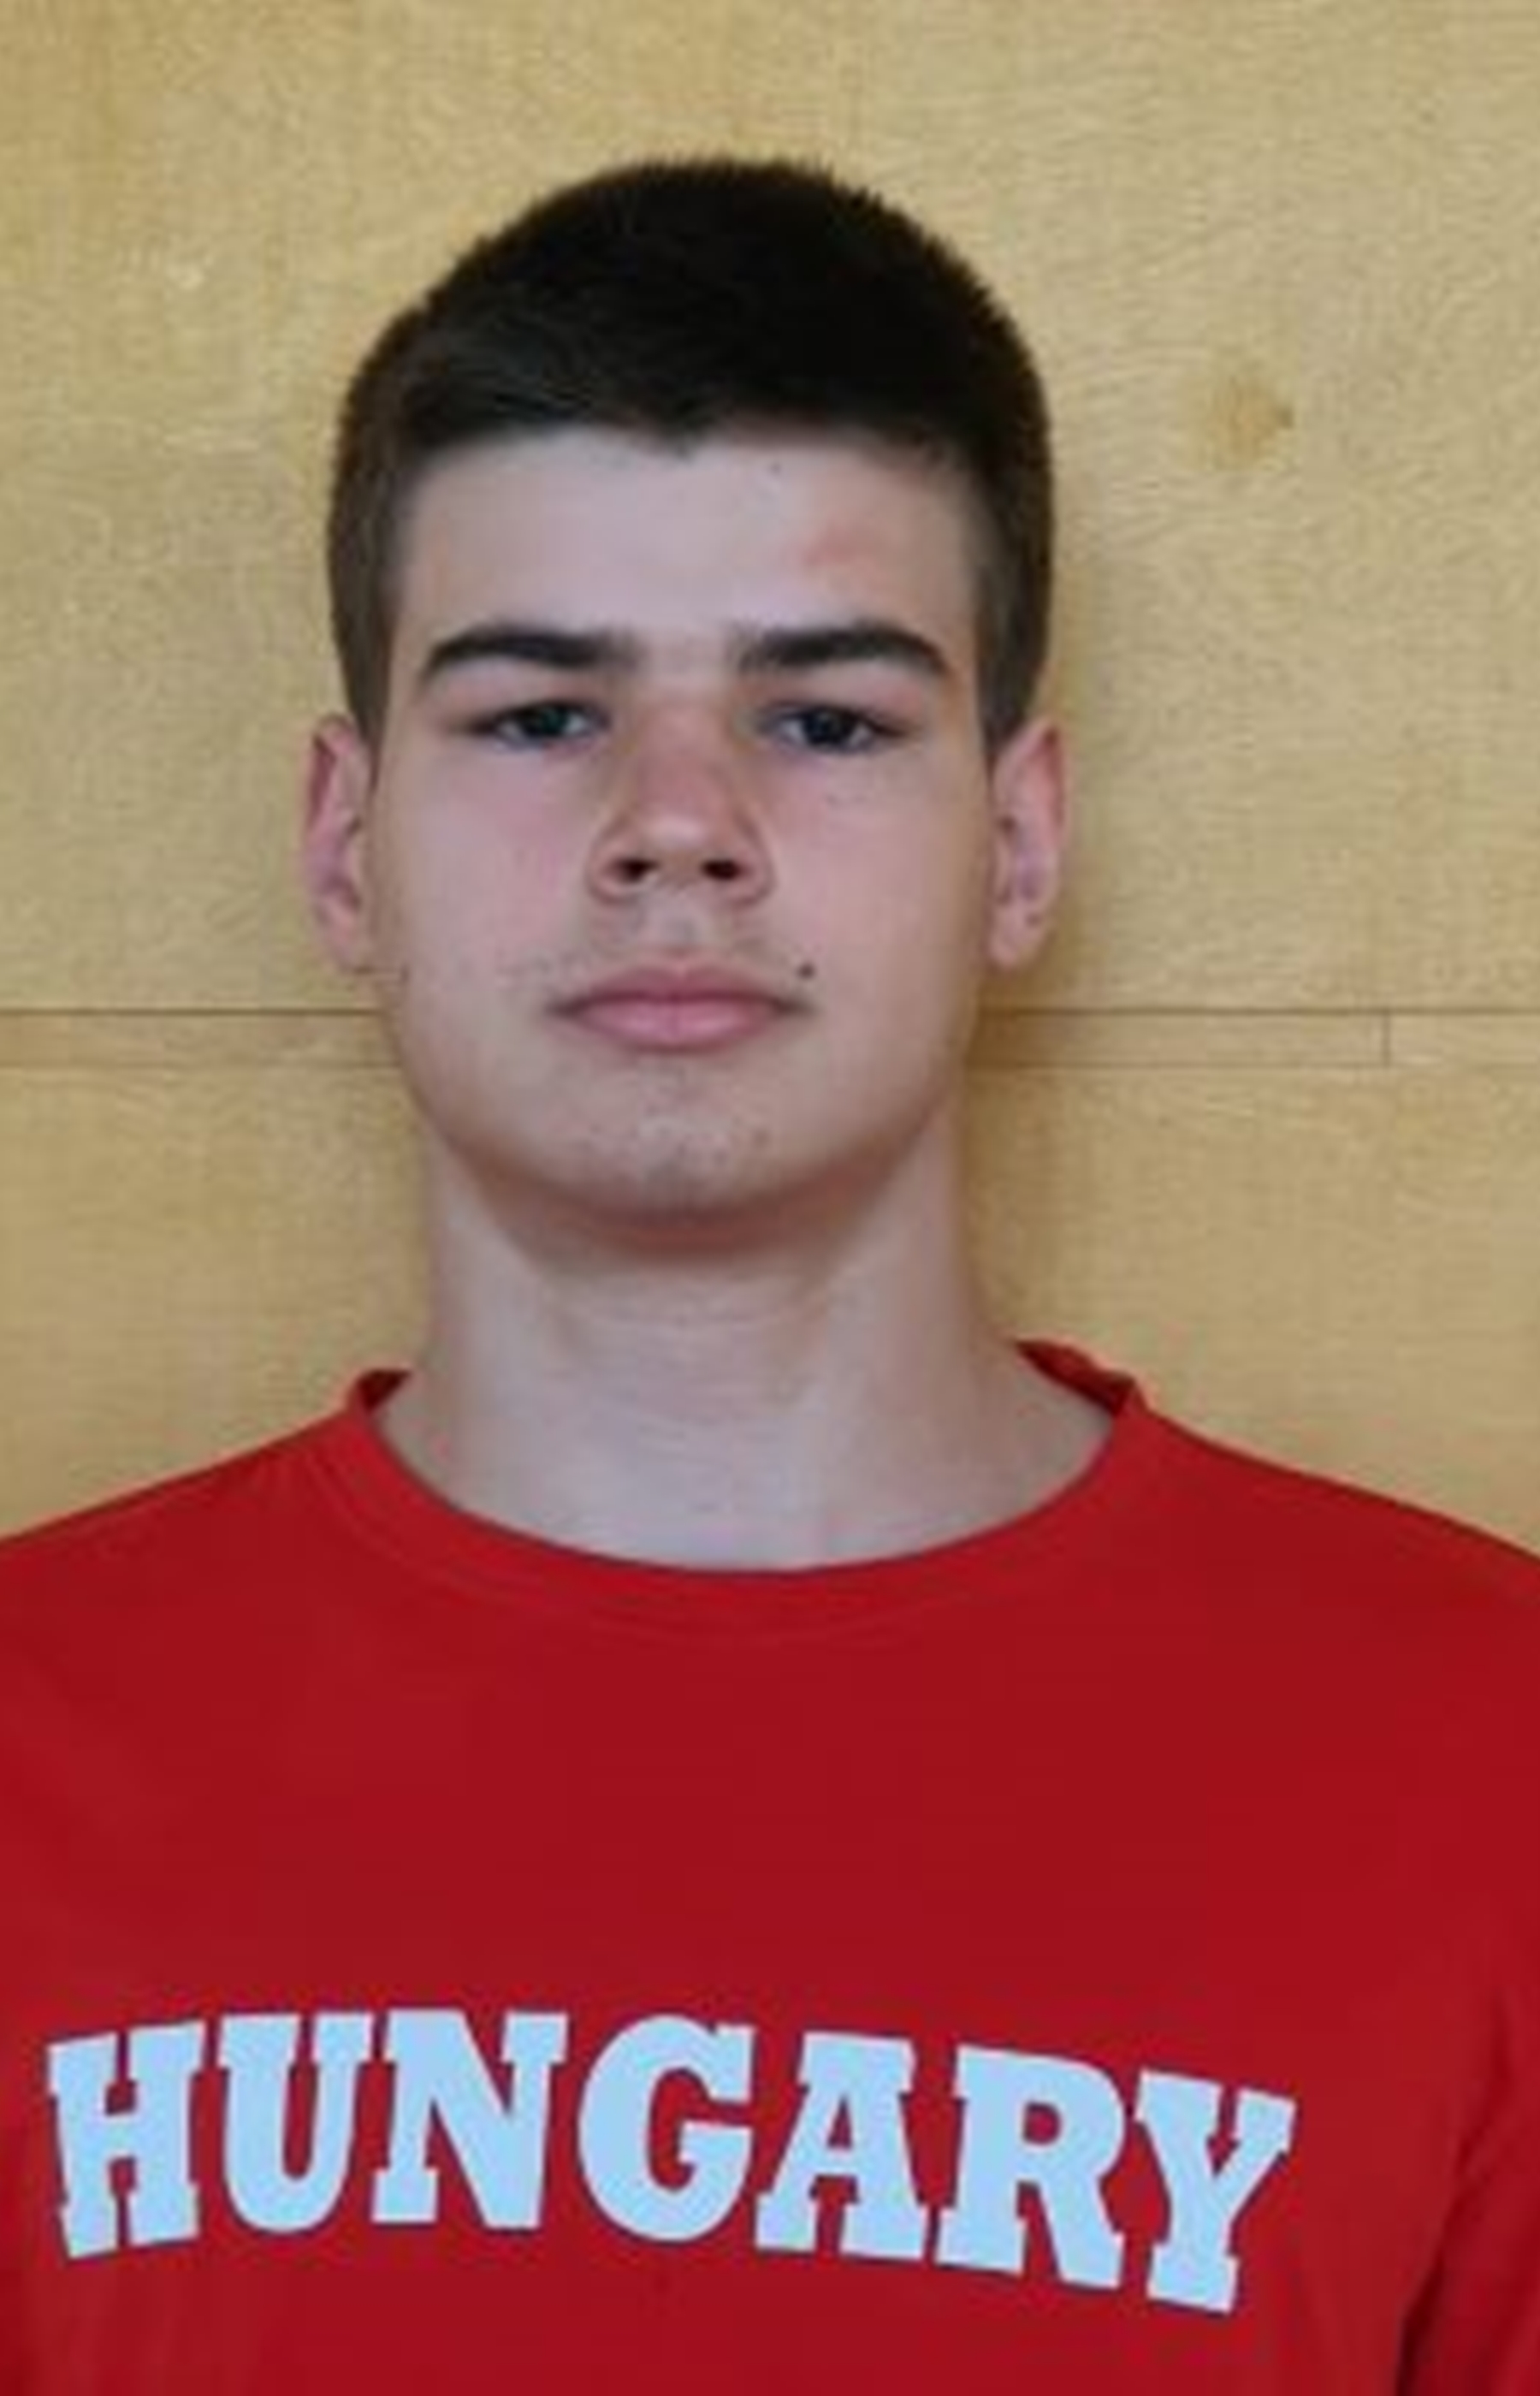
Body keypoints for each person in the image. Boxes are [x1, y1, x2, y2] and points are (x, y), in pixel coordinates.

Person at [0, 158, 1536, 2395]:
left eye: (826, 718)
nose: (678, 822)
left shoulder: (1487, 1765)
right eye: (541, 713)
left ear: (1018, 843)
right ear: (344, 843)